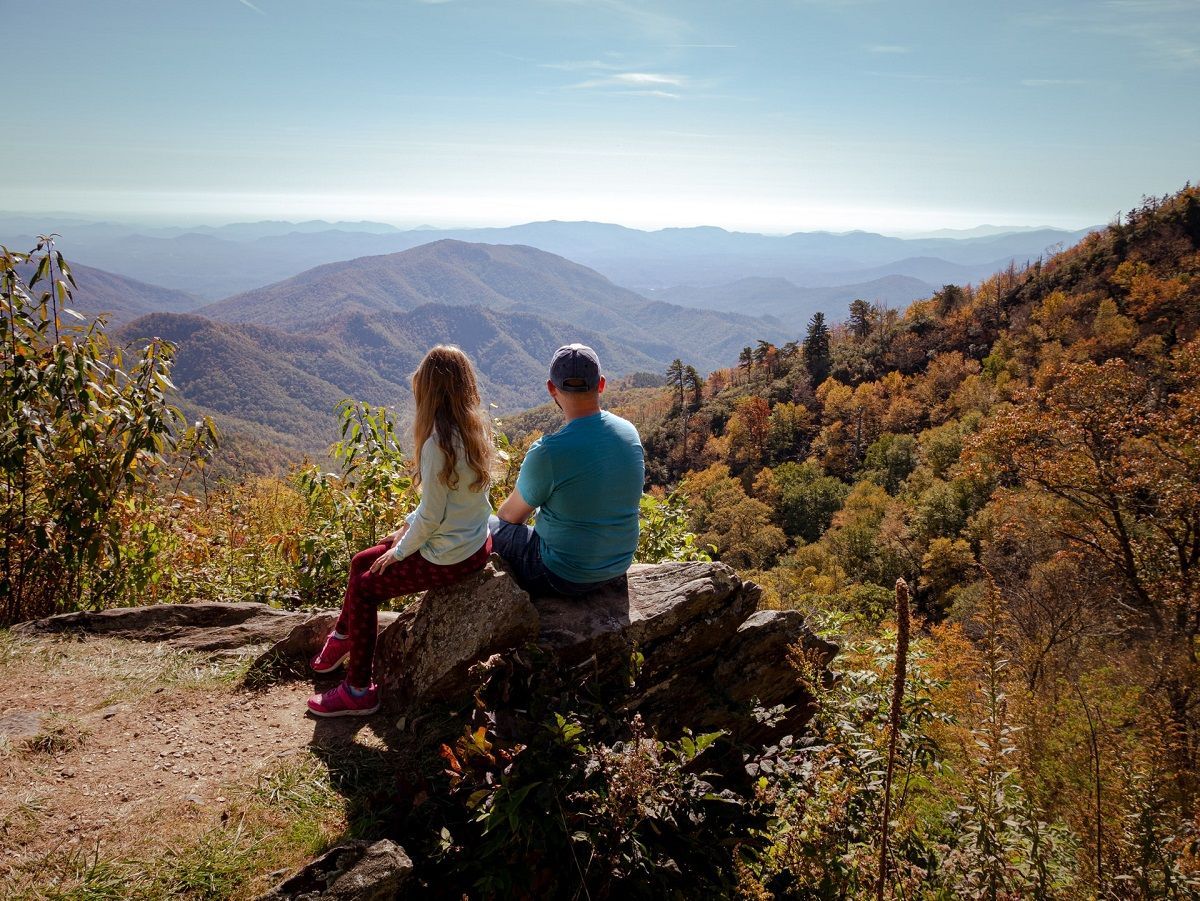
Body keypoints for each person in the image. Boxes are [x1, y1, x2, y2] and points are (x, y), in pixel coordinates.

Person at [307, 345, 495, 717]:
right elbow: (447, 504)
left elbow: (433, 517)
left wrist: (401, 550)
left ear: (428, 393)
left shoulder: (437, 445)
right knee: (361, 560)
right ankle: (344, 636)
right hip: (474, 541)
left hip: (450, 556)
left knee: (365, 589)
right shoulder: (474, 429)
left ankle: (359, 691)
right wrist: (406, 527)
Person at [491, 343, 644, 597]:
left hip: (563, 575)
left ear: (551, 388)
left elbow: (510, 516)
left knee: (485, 528)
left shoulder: (548, 452)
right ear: (601, 384)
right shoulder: (629, 433)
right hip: (618, 566)